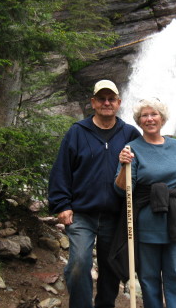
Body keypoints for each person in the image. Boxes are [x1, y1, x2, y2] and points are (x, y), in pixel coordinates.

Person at [48, 79, 141, 308]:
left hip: (116, 214)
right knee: (79, 263)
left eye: (111, 99)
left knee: (110, 269)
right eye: (102, 98)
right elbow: (62, 169)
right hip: (82, 213)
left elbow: (149, 165)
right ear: (93, 102)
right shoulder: (77, 132)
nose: (106, 103)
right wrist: (61, 205)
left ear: (119, 103)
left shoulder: (130, 134)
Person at [112, 97, 176, 308]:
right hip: (147, 223)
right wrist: (122, 166)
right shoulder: (131, 148)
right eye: (144, 115)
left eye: (153, 114)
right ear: (139, 121)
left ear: (162, 118)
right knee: (149, 278)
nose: (149, 119)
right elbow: (121, 190)